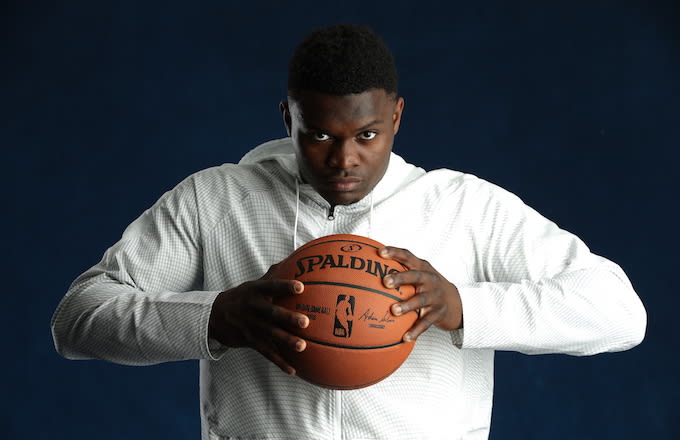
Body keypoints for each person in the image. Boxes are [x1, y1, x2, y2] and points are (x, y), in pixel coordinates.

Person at [51, 24, 647, 439]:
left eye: (367, 135)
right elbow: (78, 318)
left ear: (396, 117)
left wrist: (464, 304)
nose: (343, 160)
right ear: (288, 117)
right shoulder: (216, 199)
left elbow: (621, 312)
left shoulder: (465, 207)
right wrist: (216, 318)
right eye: (319, 134)